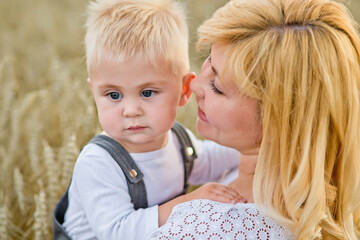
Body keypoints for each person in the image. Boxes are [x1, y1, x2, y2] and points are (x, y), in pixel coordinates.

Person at [147, 0, 360, 239]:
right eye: (209, 59)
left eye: (217, 87)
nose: (194, 84)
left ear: (278, 123)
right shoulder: (338, 203)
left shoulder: (206, 228)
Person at [61, 0, 245, 239]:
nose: (130, 110)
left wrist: (267, 149)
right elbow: (119, 231)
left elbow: (212, 160)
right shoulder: (98, 163)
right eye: (113, 95)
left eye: (147, 93)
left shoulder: (177, 141)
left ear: (184, 91)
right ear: (93, 91)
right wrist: (191, 203)